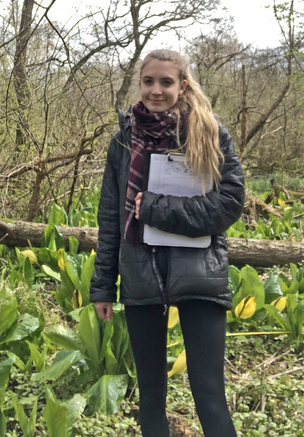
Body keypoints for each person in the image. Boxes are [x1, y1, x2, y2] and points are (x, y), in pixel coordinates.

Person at [90, 49, 244, 437]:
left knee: (209, 392)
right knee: (151, 395)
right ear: (139, 83)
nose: (155, 90)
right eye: (148, 81)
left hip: (199, 277)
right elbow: (110, 219)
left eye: (166, 82)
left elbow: (229, 204)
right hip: (140, 274)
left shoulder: (210, 132)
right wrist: (103, 286)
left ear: (183, 85)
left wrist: (157, 208)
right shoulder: (123, 141)